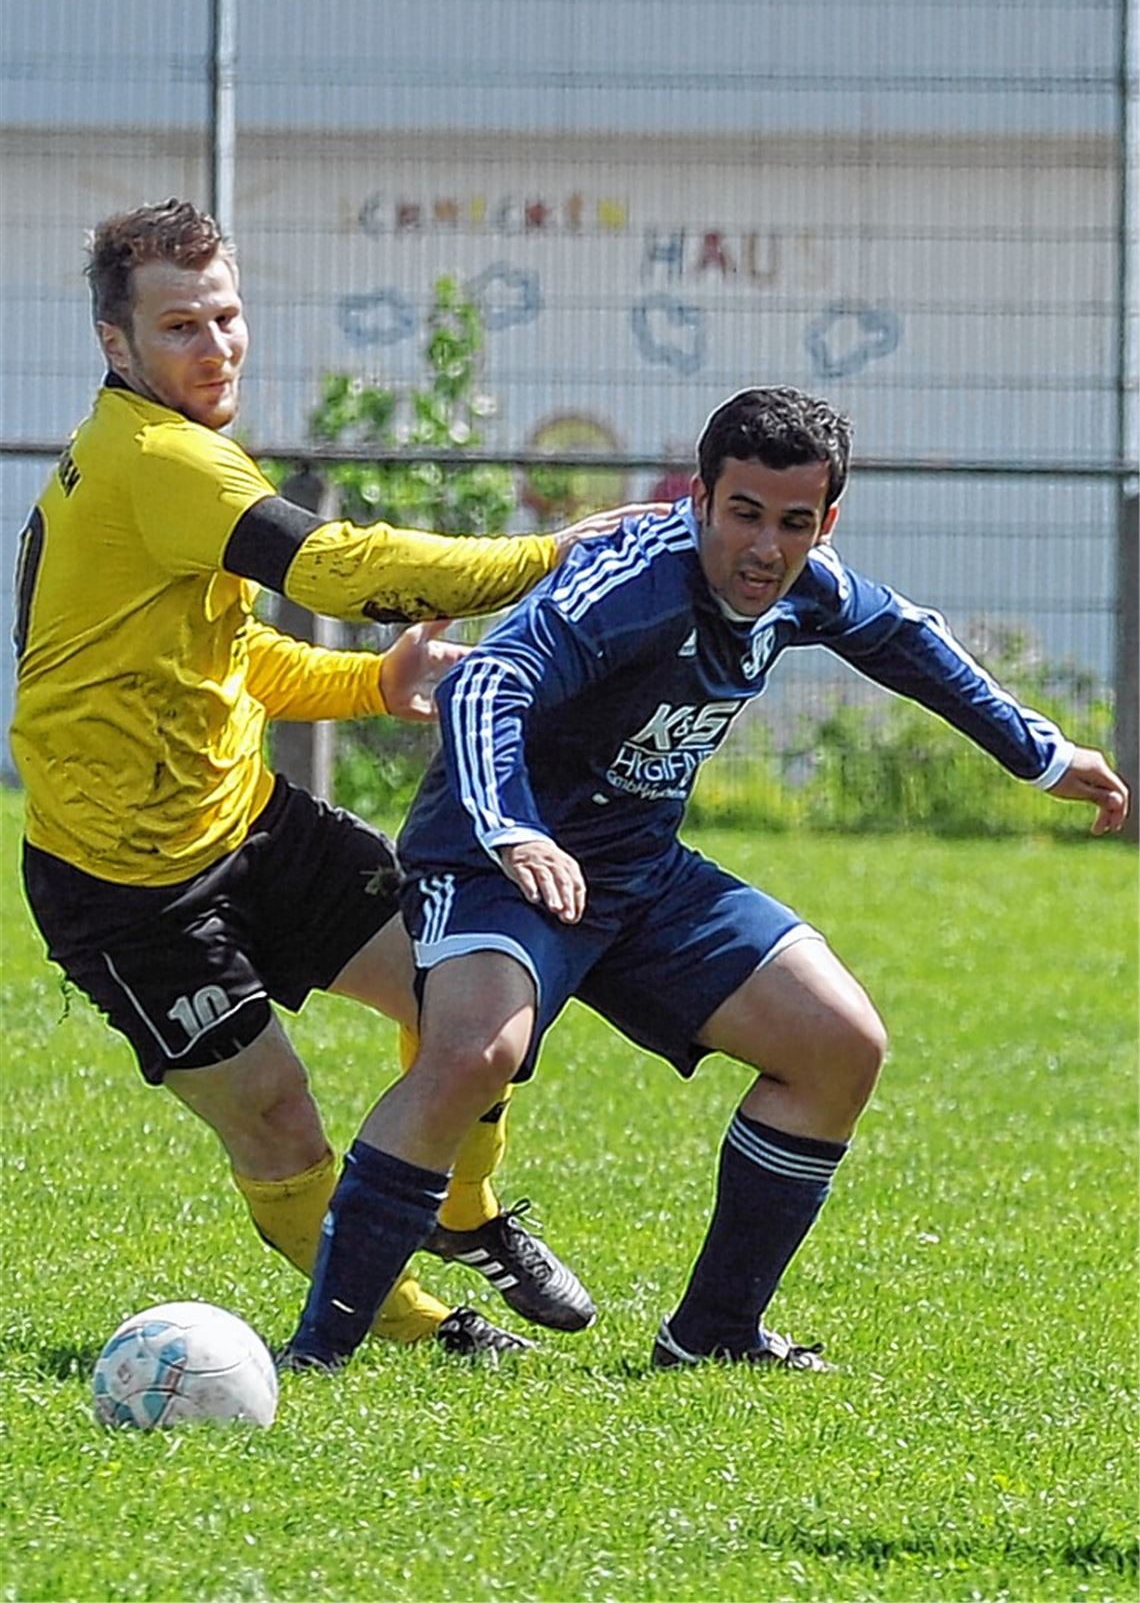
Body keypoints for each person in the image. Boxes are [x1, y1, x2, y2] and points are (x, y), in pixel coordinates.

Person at [281, 384, 1130, 1373]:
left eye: (793, 523)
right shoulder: (628, 587)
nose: (765, 548)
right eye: (743, 515)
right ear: (700, 498)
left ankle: (713, 1334)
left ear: (825, 521)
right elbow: (488, 682)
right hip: (496, 864)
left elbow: (905, 638)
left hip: (640, 874)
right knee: (475, 1053)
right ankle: (319, 1355)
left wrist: (1038, 754)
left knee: (840, 1047)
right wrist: (515, 831)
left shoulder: (808, 584)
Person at [8, 196, 648, 1358]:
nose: (216, 348)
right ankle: (425, 1331)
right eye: (180, 329)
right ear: (117, 345)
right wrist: (548, 554)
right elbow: (335, 564)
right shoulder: (151, 459)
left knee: (468, 992)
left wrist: (371, 685)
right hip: (125, 887)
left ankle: (467, 1213)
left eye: (227, 317)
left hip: (250, 824)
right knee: (278, 1118)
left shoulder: (191, 452)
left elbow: (224, 655)